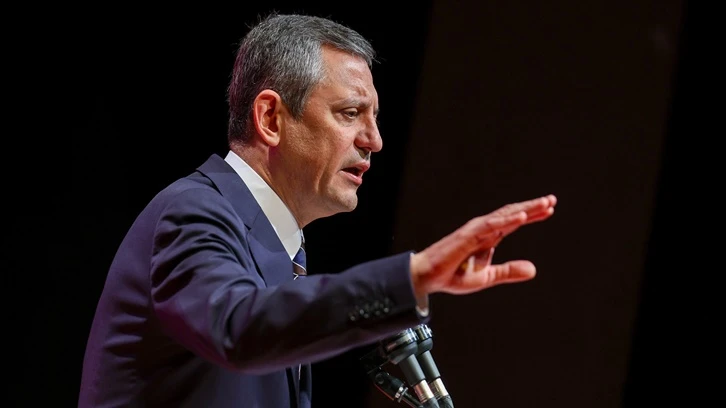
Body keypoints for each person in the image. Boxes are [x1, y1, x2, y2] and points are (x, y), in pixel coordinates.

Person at [78, 12, 557, 408]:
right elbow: (239, 326)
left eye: (374, 117)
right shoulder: (192, 212)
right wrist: (410, 278)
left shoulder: (281, 252)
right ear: (271, 118)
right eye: (350, 113)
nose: (375, 140)